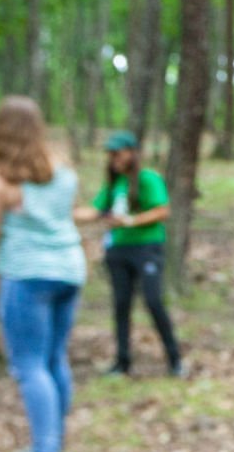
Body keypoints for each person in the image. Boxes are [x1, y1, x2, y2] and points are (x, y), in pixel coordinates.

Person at [0, 96, 87, 452]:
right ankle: (50, 445)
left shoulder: (1, 181)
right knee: (54, 359)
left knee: (29, 365)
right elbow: (67, 212)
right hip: (69, 269)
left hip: (27, 273)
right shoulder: (62, 170)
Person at [77, 129, 185, 377]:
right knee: (121, 304)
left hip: (146, 247)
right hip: (117, 249)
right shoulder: (114, 184)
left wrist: (130, 221)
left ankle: (175, 359)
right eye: (111, 153)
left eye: (118, 152)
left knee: (153, 301)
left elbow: (162, 211)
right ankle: (122, 361)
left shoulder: (148, 178)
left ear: (132, 153)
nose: (114, 158)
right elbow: (94, 211)